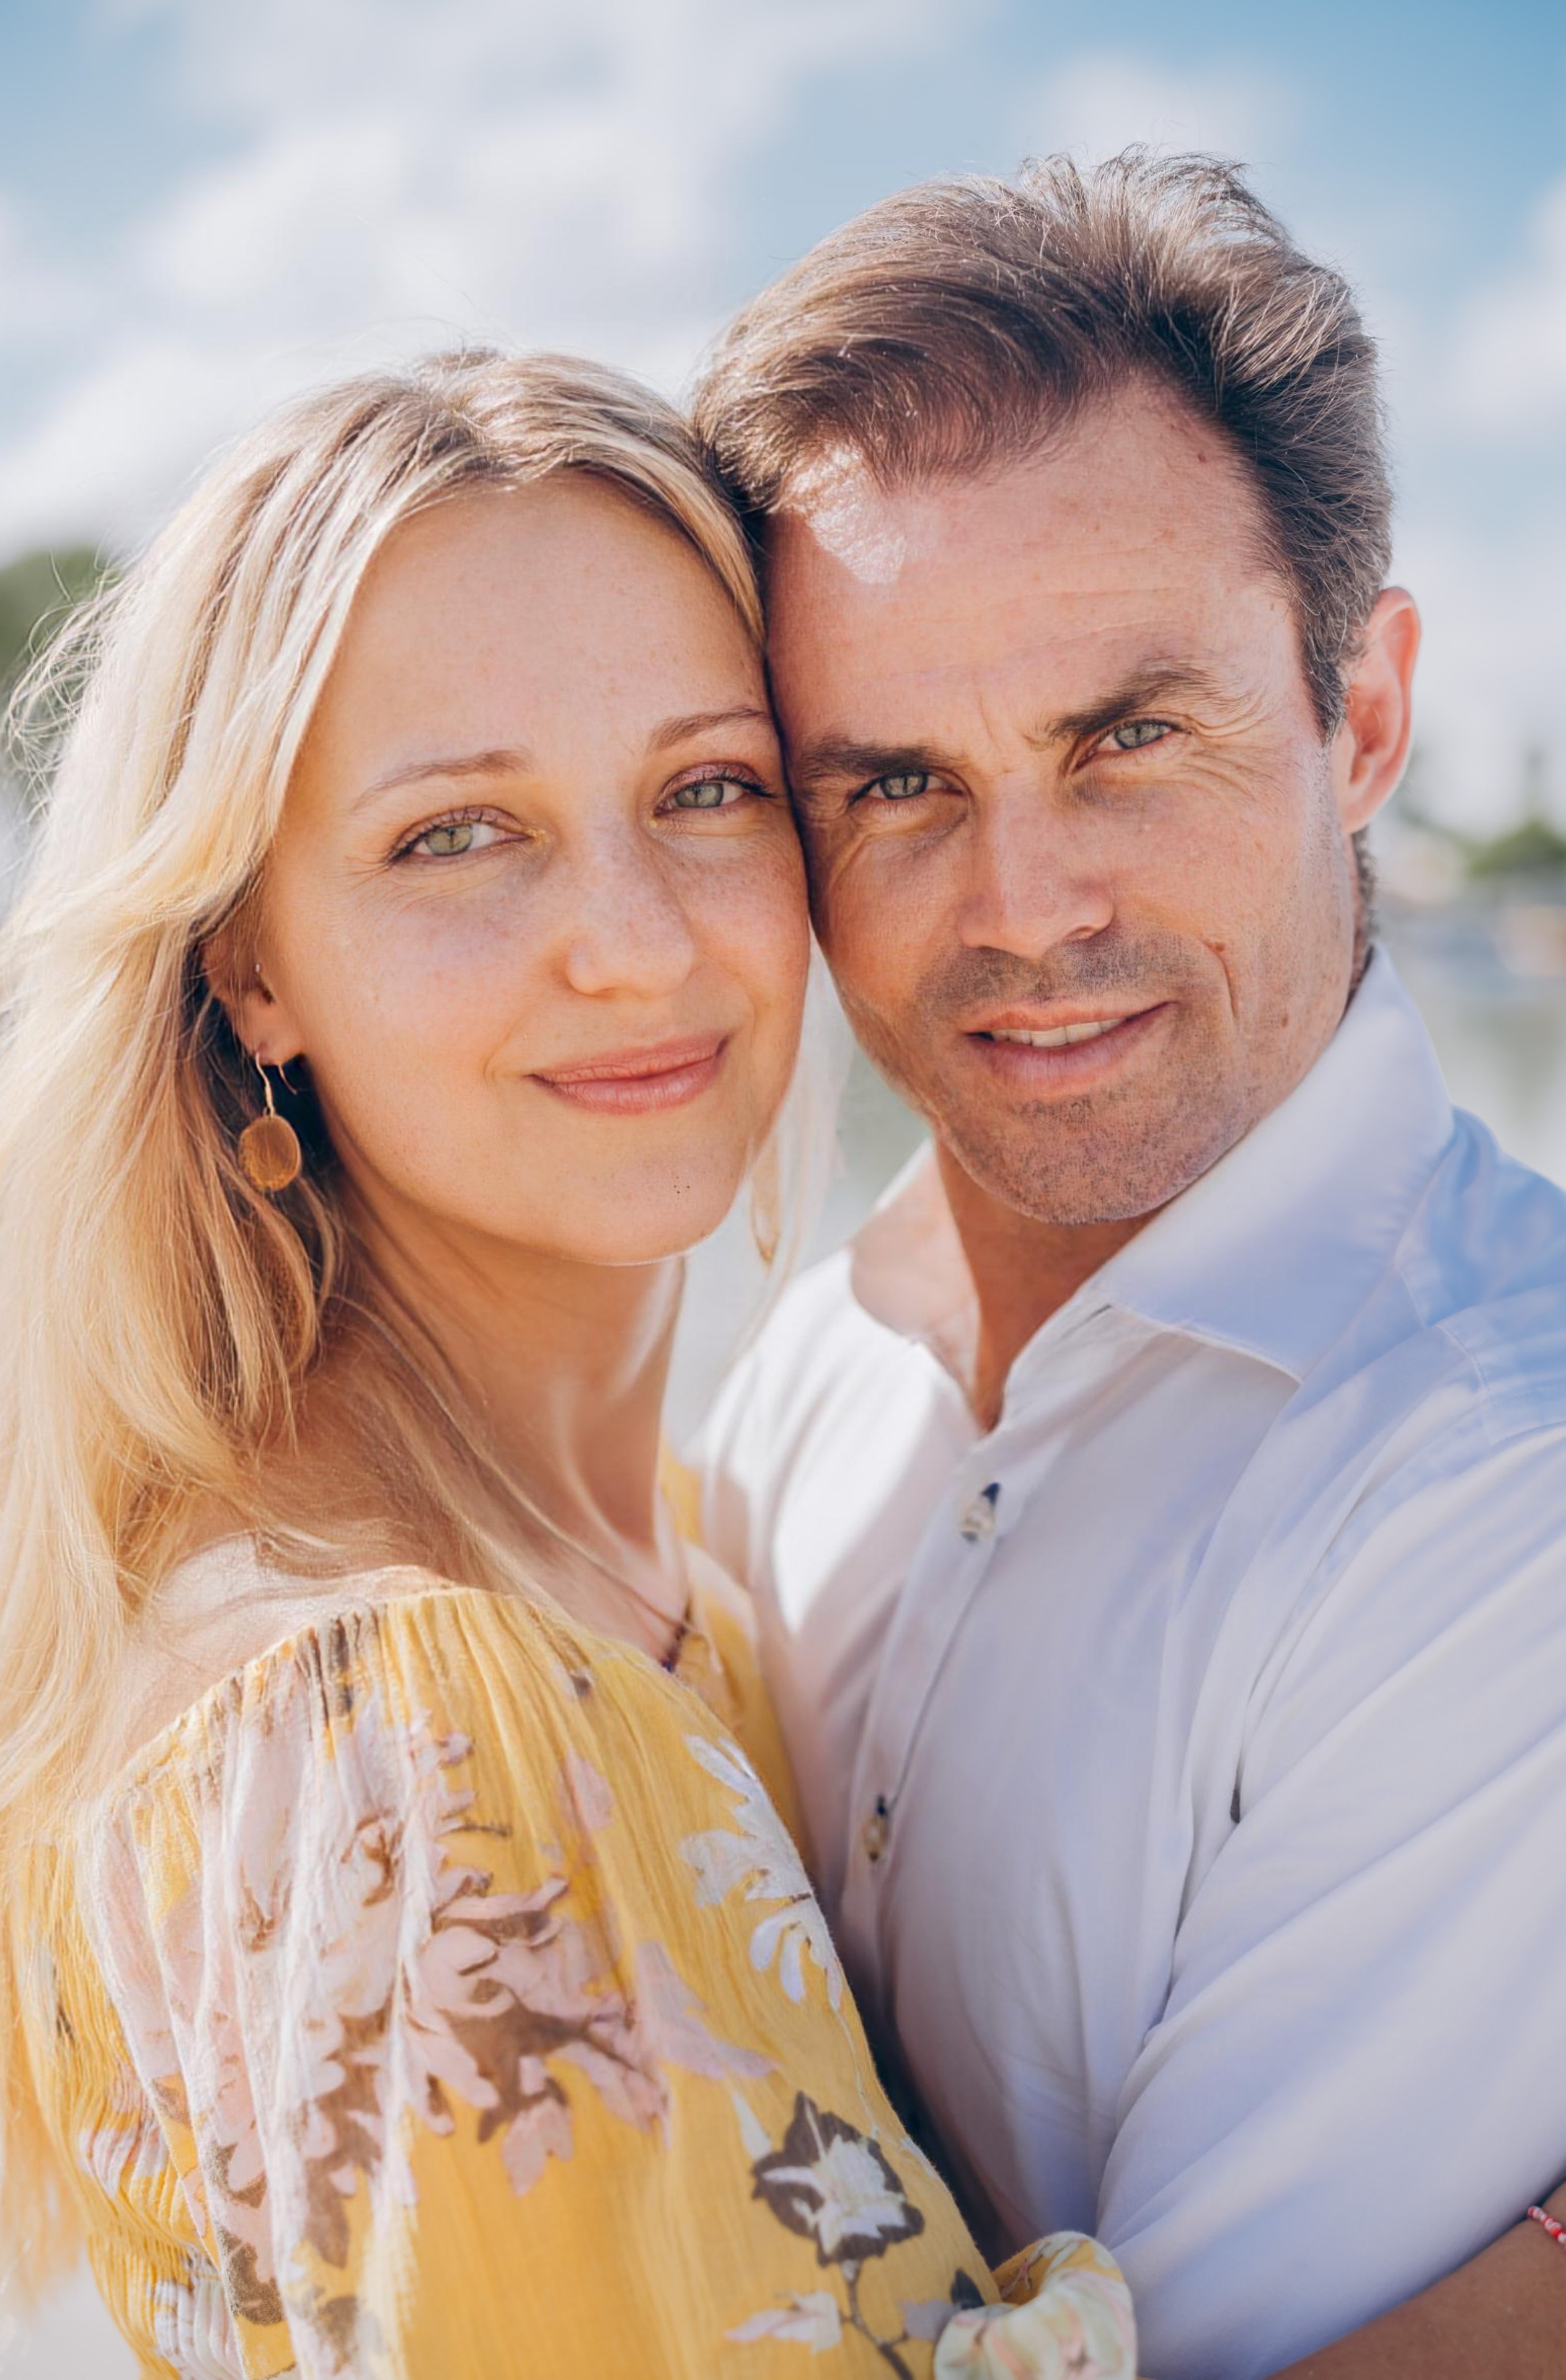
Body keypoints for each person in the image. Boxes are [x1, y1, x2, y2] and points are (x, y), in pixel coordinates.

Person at [0, 355, 1133, 2378]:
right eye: (457, 837)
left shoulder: (673, 1554)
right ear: (248, 957)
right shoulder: (403, 1721)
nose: (636, 941)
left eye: (707, 791)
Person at [691, 154, 1566, 2380]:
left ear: (1360, 721)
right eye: (891, 781)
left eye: (1129, 738)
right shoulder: (808, 1367)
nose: (1025, 903)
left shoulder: (1504, 1484)